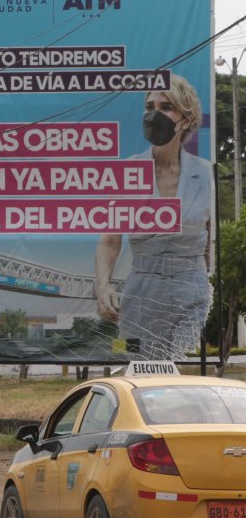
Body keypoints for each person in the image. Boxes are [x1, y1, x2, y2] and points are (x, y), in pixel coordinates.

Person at [95, 74, 212, 360]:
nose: (154, 114)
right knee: (134, 365)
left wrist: (207, 280)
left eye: (166, 107)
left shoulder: (206, 173)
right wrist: (103, 285)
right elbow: (110, 239)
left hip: (190, 288)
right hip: (140, 290)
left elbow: (211, 240)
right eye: (150, 106)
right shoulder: (128, 171)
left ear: (185, 118)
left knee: (181, 370)